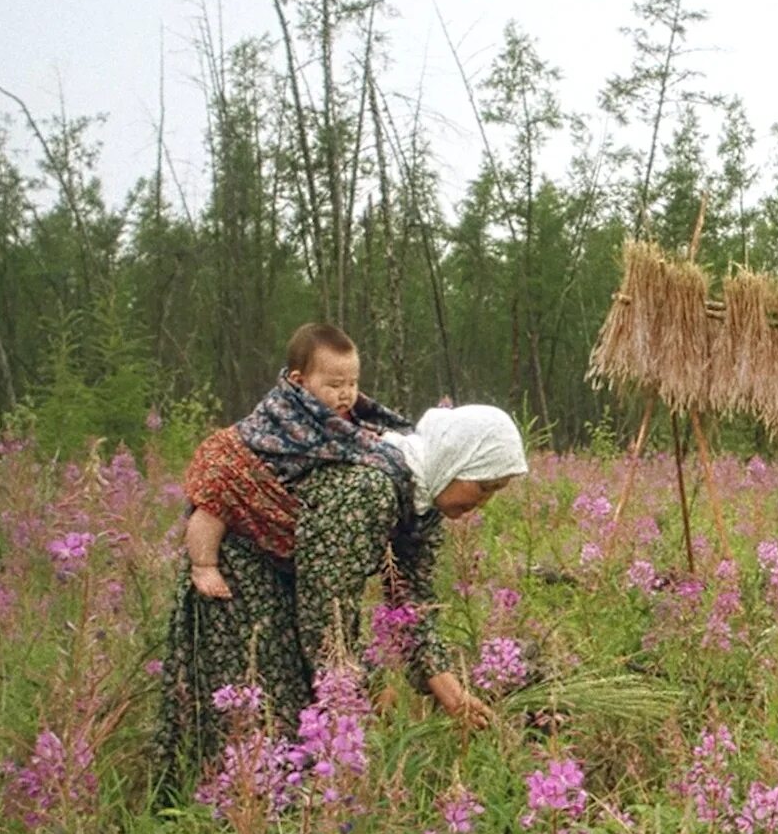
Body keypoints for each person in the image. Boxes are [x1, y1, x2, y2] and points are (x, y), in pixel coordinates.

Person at [153, 401, 529, 788]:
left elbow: (410, 600)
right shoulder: (372, 488)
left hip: (290, 584)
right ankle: (213, 828)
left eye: (494, 492)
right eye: (483, 486)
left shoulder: (422, 501)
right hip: (241, 579)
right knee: (259, 726)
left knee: (288, 734)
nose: (484, 502)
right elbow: (328, 605)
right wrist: (360, 685)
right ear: (456, 459)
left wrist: (450, 691)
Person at [184, 323, 410, 599]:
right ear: (300, 381)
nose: (346, 393)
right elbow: (329, 443)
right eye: (335, 385)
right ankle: (203, 565)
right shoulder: (287, 409)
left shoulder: (342, 411)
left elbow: (363, 435)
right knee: (214, 503)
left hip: (285, 487)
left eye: (353, 383)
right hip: (237, 459)